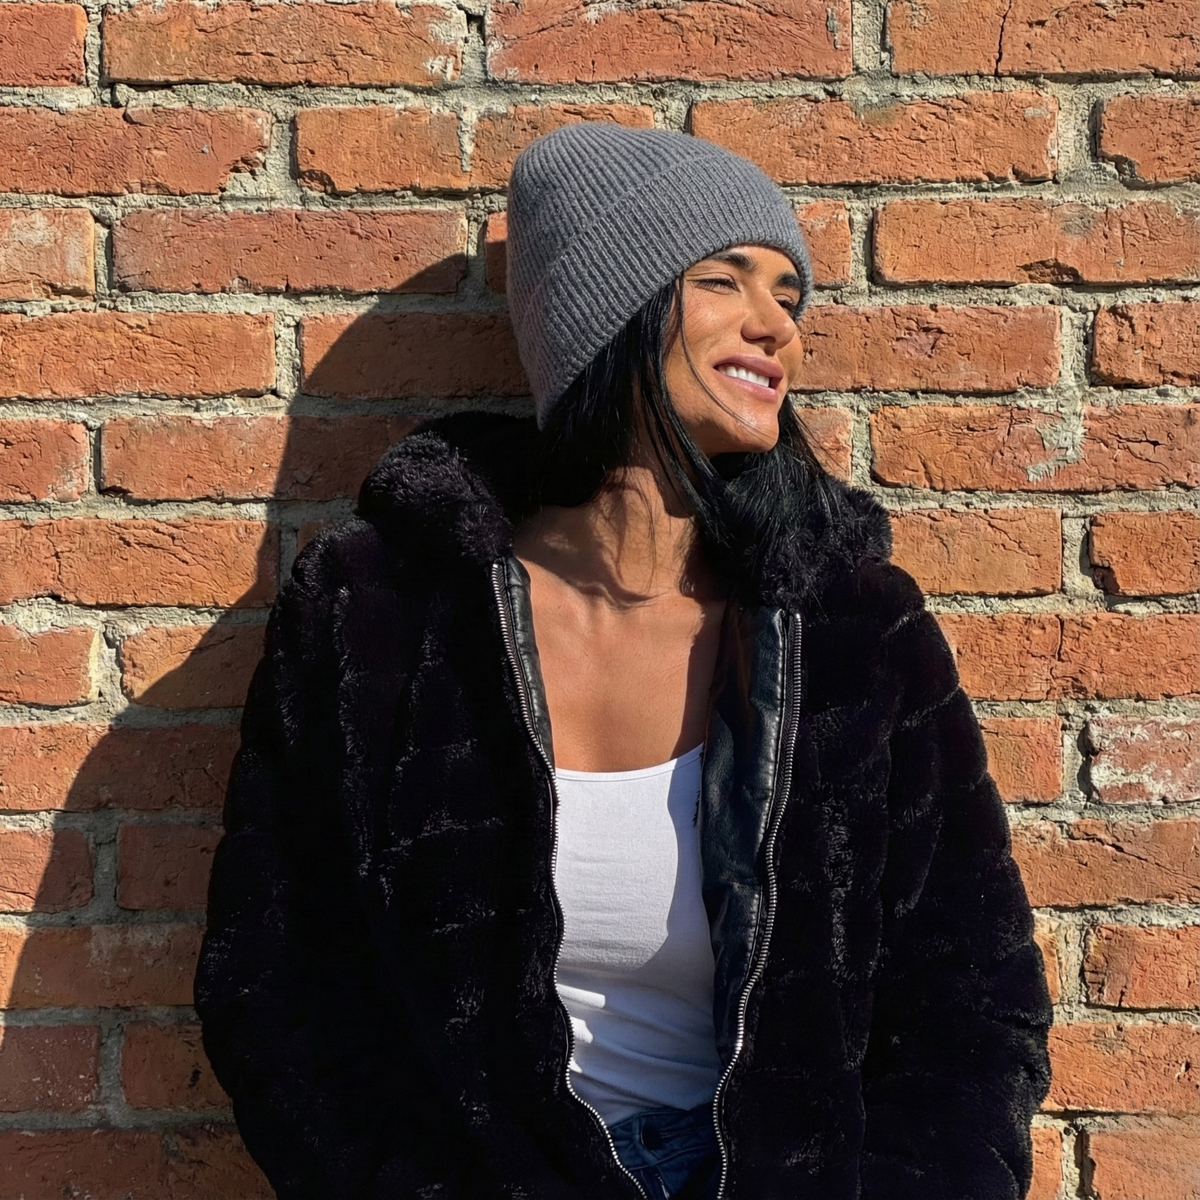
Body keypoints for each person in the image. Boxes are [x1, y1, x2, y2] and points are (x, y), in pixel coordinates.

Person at [194, 123, 1053, 1200]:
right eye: (725, 280)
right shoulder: (380, 617)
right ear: (610, 310)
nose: (776, 326)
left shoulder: (852, 630)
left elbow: (972, 994)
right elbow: (278, 984)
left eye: (789, 295)